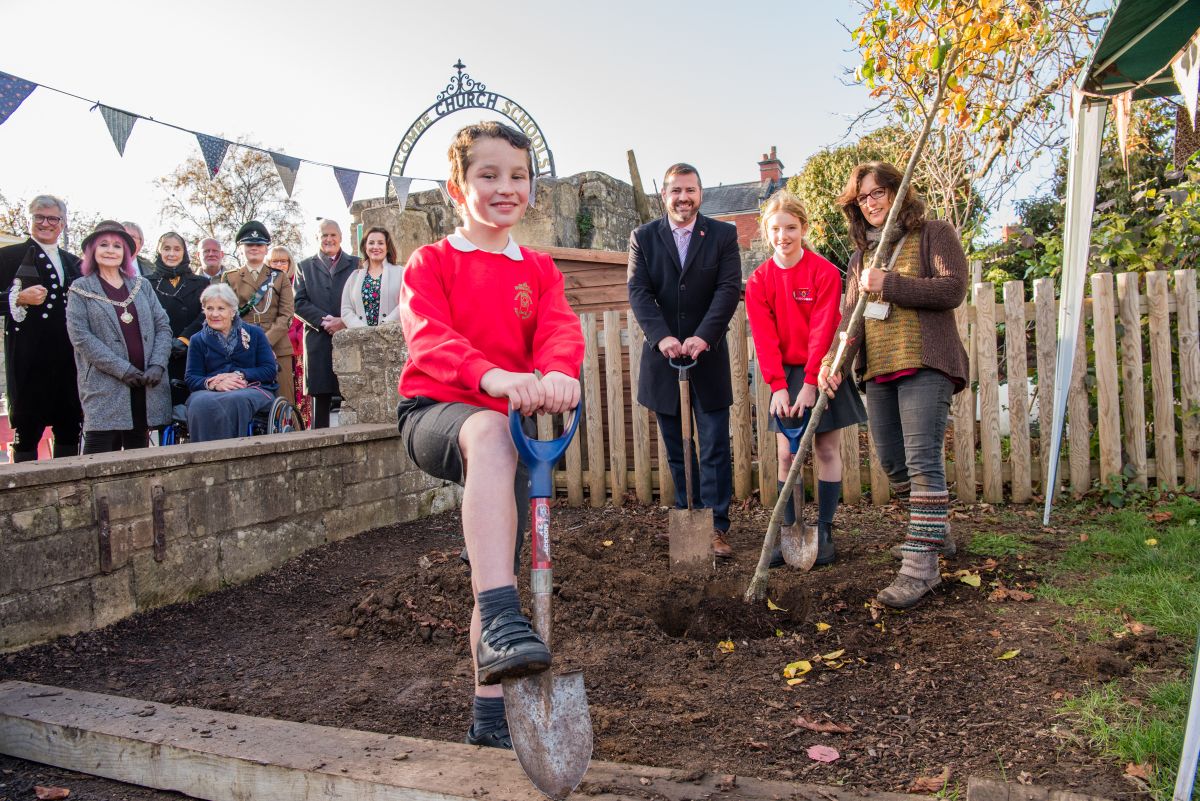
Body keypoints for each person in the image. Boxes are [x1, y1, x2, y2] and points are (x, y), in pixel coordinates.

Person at [397, 121, 584, 750]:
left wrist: (559, 373)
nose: (507, 187)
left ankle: (489, 716)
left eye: (519, 176)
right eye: (489, 174)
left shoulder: (537, 267)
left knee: (493, 568)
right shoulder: (433, 262)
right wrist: (495, 375)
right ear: (457, 185)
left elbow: (560, 329)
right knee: (492, 437)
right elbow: (429, 339)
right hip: (436, 412)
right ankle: (504, 618)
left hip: (506, 430)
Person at [821, 161, 969, 609]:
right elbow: (852, 321)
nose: (870, 203)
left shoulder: (934, 234)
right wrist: (835, 363)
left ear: (898, 191)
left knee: (923, 459)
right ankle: (935, 533)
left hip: (926, 361)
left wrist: (891, 284)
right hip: (880, 370)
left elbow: (952, 289)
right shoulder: (859, 258)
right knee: (891, 462)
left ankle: (921, 567)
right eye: (862, 198)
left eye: (878, 192)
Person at [745, 192, 867, 568]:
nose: (784, 235)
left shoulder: (825, 273)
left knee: (828, 450)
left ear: (804, 229)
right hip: (785, 373)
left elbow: (824, 329)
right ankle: (789, 528)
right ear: (767, 232)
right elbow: (763, 338)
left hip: (823, 367)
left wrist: (814, 381)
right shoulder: (759, 281)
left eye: (791, 228)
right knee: (786, 453)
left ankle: (825, 530)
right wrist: (778, 386)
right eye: (776, 228)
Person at [627, 163, 741, 557]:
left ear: (700, 194)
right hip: (665, 361)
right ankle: (686, 516)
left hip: (706, 359)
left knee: (712, 446)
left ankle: (716, 527)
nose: (683, 198)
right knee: (677, 448)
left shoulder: (723, 235)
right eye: (676, 190)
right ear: (664, 194)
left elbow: (727, 290)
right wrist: (662, 338)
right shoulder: (644, 237)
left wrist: (702, 337)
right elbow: (639, 291)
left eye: (690, 190)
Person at [65, 221, 173, 453]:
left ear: (126, 252)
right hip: (106, 385)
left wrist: (157, 364)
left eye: (117, 246)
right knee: (98, 456)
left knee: (138, 456)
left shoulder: (141, 286)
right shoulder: (80, 288)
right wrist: (122, 369)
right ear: (92, 251)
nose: (110, 250)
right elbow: (81, 337)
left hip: (145, 383)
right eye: (103, 245)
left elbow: (163, 326)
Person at [0, 195, 84, 461]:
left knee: (70, 425)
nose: (45, 223)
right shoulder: (8, 256)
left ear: (62, 223)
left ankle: (71, 492)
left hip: (69, 359)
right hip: (28, 358)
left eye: (52, 218)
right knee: (27, 429)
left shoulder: (75, 263)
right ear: (29, 219)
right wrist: (18, 298)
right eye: (39, 217)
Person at [184, 283, 278, 443]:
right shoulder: (197, 340)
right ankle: (203, 455)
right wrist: (213, 384)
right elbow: (192, 377)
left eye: (221, 308)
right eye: (209, 308)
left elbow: (269, 369)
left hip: (251, 387)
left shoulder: (255, 333)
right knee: (199, 403)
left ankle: (232, 453)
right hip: (211, 390)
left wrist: (240, 374)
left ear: (233, 311)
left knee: (235, 400)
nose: (214, 314)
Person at [217, 222, 296, 405]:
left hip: (276, 345)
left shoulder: (279, 277)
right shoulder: (230, 277)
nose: (254, 248)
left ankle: (290, 434)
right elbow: (226, 314)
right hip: (243, 345)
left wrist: (264, 343)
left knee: (284, 400)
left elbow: (286, 315)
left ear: (266, 248)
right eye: (249, 245)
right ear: (241, 248)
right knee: (246, 398)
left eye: (259, 244)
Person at [295, 219, 359, 428]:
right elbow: (299, 303)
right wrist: (325, 321)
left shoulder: (356, 264)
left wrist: (344, 322)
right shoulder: (304, 266)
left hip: (349, 338)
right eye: (324, 235)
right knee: (320, 402)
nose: (329, 239)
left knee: (354, 395)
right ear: (317, 238)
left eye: (333, 235)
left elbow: (362, 300)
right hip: (318, 340)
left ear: (340, 237)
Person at [149, 232, 208, 410]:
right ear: (159, 252)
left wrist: (185, 339)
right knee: (165, 410)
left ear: (184, 252)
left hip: (192, 350)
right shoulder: (146, 283)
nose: (172, 254)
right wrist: (164, 344)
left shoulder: (201, 282)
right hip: (161, 353)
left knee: (194, 407)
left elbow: (206, 313)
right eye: (167, 249)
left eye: (177, 249)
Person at [341, 226, 403, 328]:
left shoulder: (400, 272)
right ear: (365, 247)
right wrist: (362, 330)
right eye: (371, 243)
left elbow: (405, 303)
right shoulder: (354, 277)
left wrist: (384, 326)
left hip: (392, 337)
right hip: (361, 339)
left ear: (387, 247)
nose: (375, 247)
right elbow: (346, 309)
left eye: (380, 243)